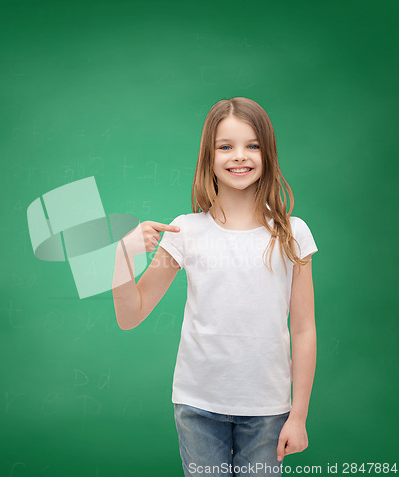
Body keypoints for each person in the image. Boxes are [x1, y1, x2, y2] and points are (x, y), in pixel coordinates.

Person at [112, 97, 318, 477]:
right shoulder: (184, 231)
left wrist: (299, 414)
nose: (239, 156)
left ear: (267, 153)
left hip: (269, 410)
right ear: (209, 157)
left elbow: (304, 328)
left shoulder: (292, 233)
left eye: (252, 145)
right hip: (197, 407)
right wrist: (121, 258)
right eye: (226, 146)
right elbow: (131, 314)